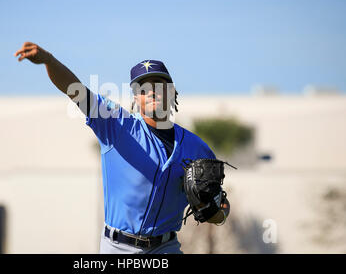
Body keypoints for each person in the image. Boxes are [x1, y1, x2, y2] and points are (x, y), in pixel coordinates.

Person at [14, 42, 230, 254]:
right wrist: (49, 61)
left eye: (159, 84)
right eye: (144, 88)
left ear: (172, 92)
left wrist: (211, 210)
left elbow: (221, 210)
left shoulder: (197, 148)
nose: (153, 91)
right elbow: (76, 91)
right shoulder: (116, 125)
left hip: (166, 248)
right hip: (118, 247)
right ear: (136, 97)